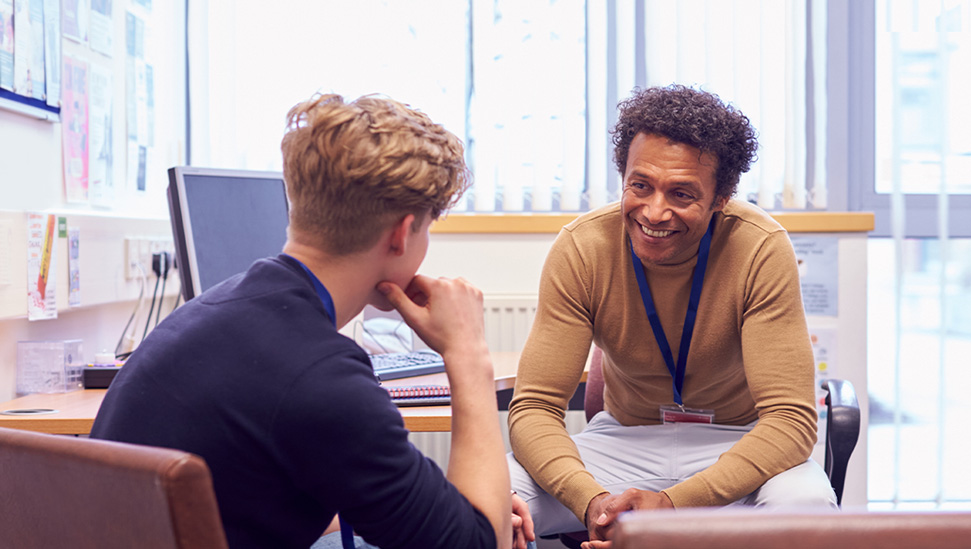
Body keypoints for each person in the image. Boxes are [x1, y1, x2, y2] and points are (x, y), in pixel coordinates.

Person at [91, 94, 534, 549]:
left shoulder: (207, 313)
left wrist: (452, 504)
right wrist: (468, 354)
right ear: (403, 233)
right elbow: (481, 544)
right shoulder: (322, 378)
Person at [507, 85, 836, 548]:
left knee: (806, 510)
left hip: (738, 443)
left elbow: (789, 421)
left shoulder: (760, 248)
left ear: (720, 197)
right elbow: (534, 408)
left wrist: (672, 506)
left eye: (681, 194)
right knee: (488, 500)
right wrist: (593, 501)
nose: (654, 211)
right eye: (640, 185)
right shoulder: (583, 248)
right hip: (622, 444)